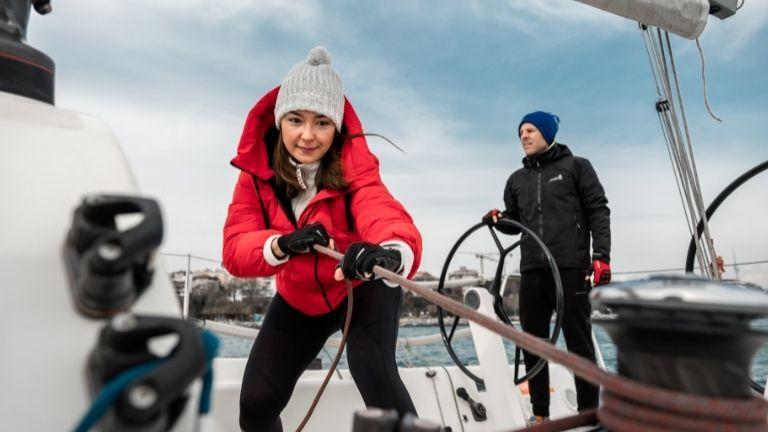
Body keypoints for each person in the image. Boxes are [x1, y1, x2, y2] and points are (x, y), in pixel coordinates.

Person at [223, 46, 422, 432]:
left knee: (374, 374)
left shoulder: (355, 168)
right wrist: (281, 244)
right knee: (256, 403)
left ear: (338, 127)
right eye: (296, 119)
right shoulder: (255, 175)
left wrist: (390, 252)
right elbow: (234, 249)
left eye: (323, 122)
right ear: (280, 120)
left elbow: (381, 210)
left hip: (360, 287)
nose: (308, 136)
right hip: (300, 298)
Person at [483, 111, 611, 423]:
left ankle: (589, 416)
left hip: (570, 267)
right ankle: (541, 416)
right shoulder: (517, 180)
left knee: (579, 344)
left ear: (547, 132)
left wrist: (602, 256)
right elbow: (516, 222)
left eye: (530, 130)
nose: (523, 136)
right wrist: (499, 220)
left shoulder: (577, 167)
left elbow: (598, 210)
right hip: (532, 271)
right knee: (533, 344)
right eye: (520, 133)